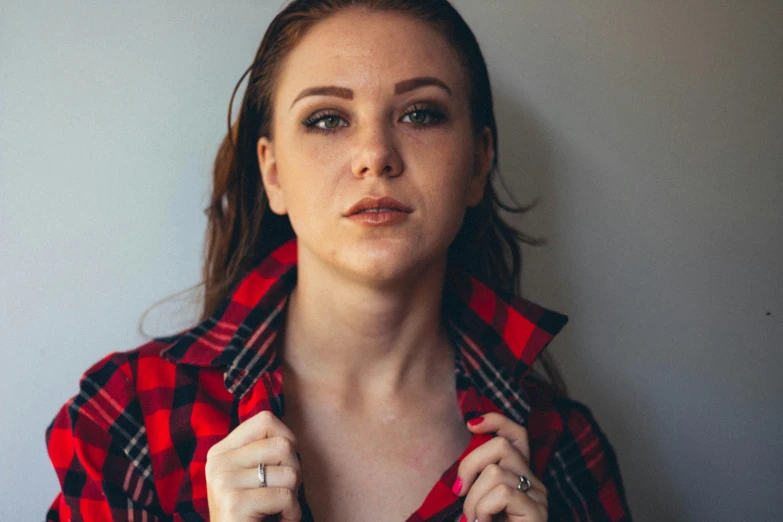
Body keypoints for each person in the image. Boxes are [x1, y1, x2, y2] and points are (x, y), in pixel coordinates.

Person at [45, 1, 633, 521]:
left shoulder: (560, 447)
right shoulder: (126, 421)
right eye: (328, 119)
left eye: (420, 113)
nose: (375, 156)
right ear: (273, 173)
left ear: (478, 163)